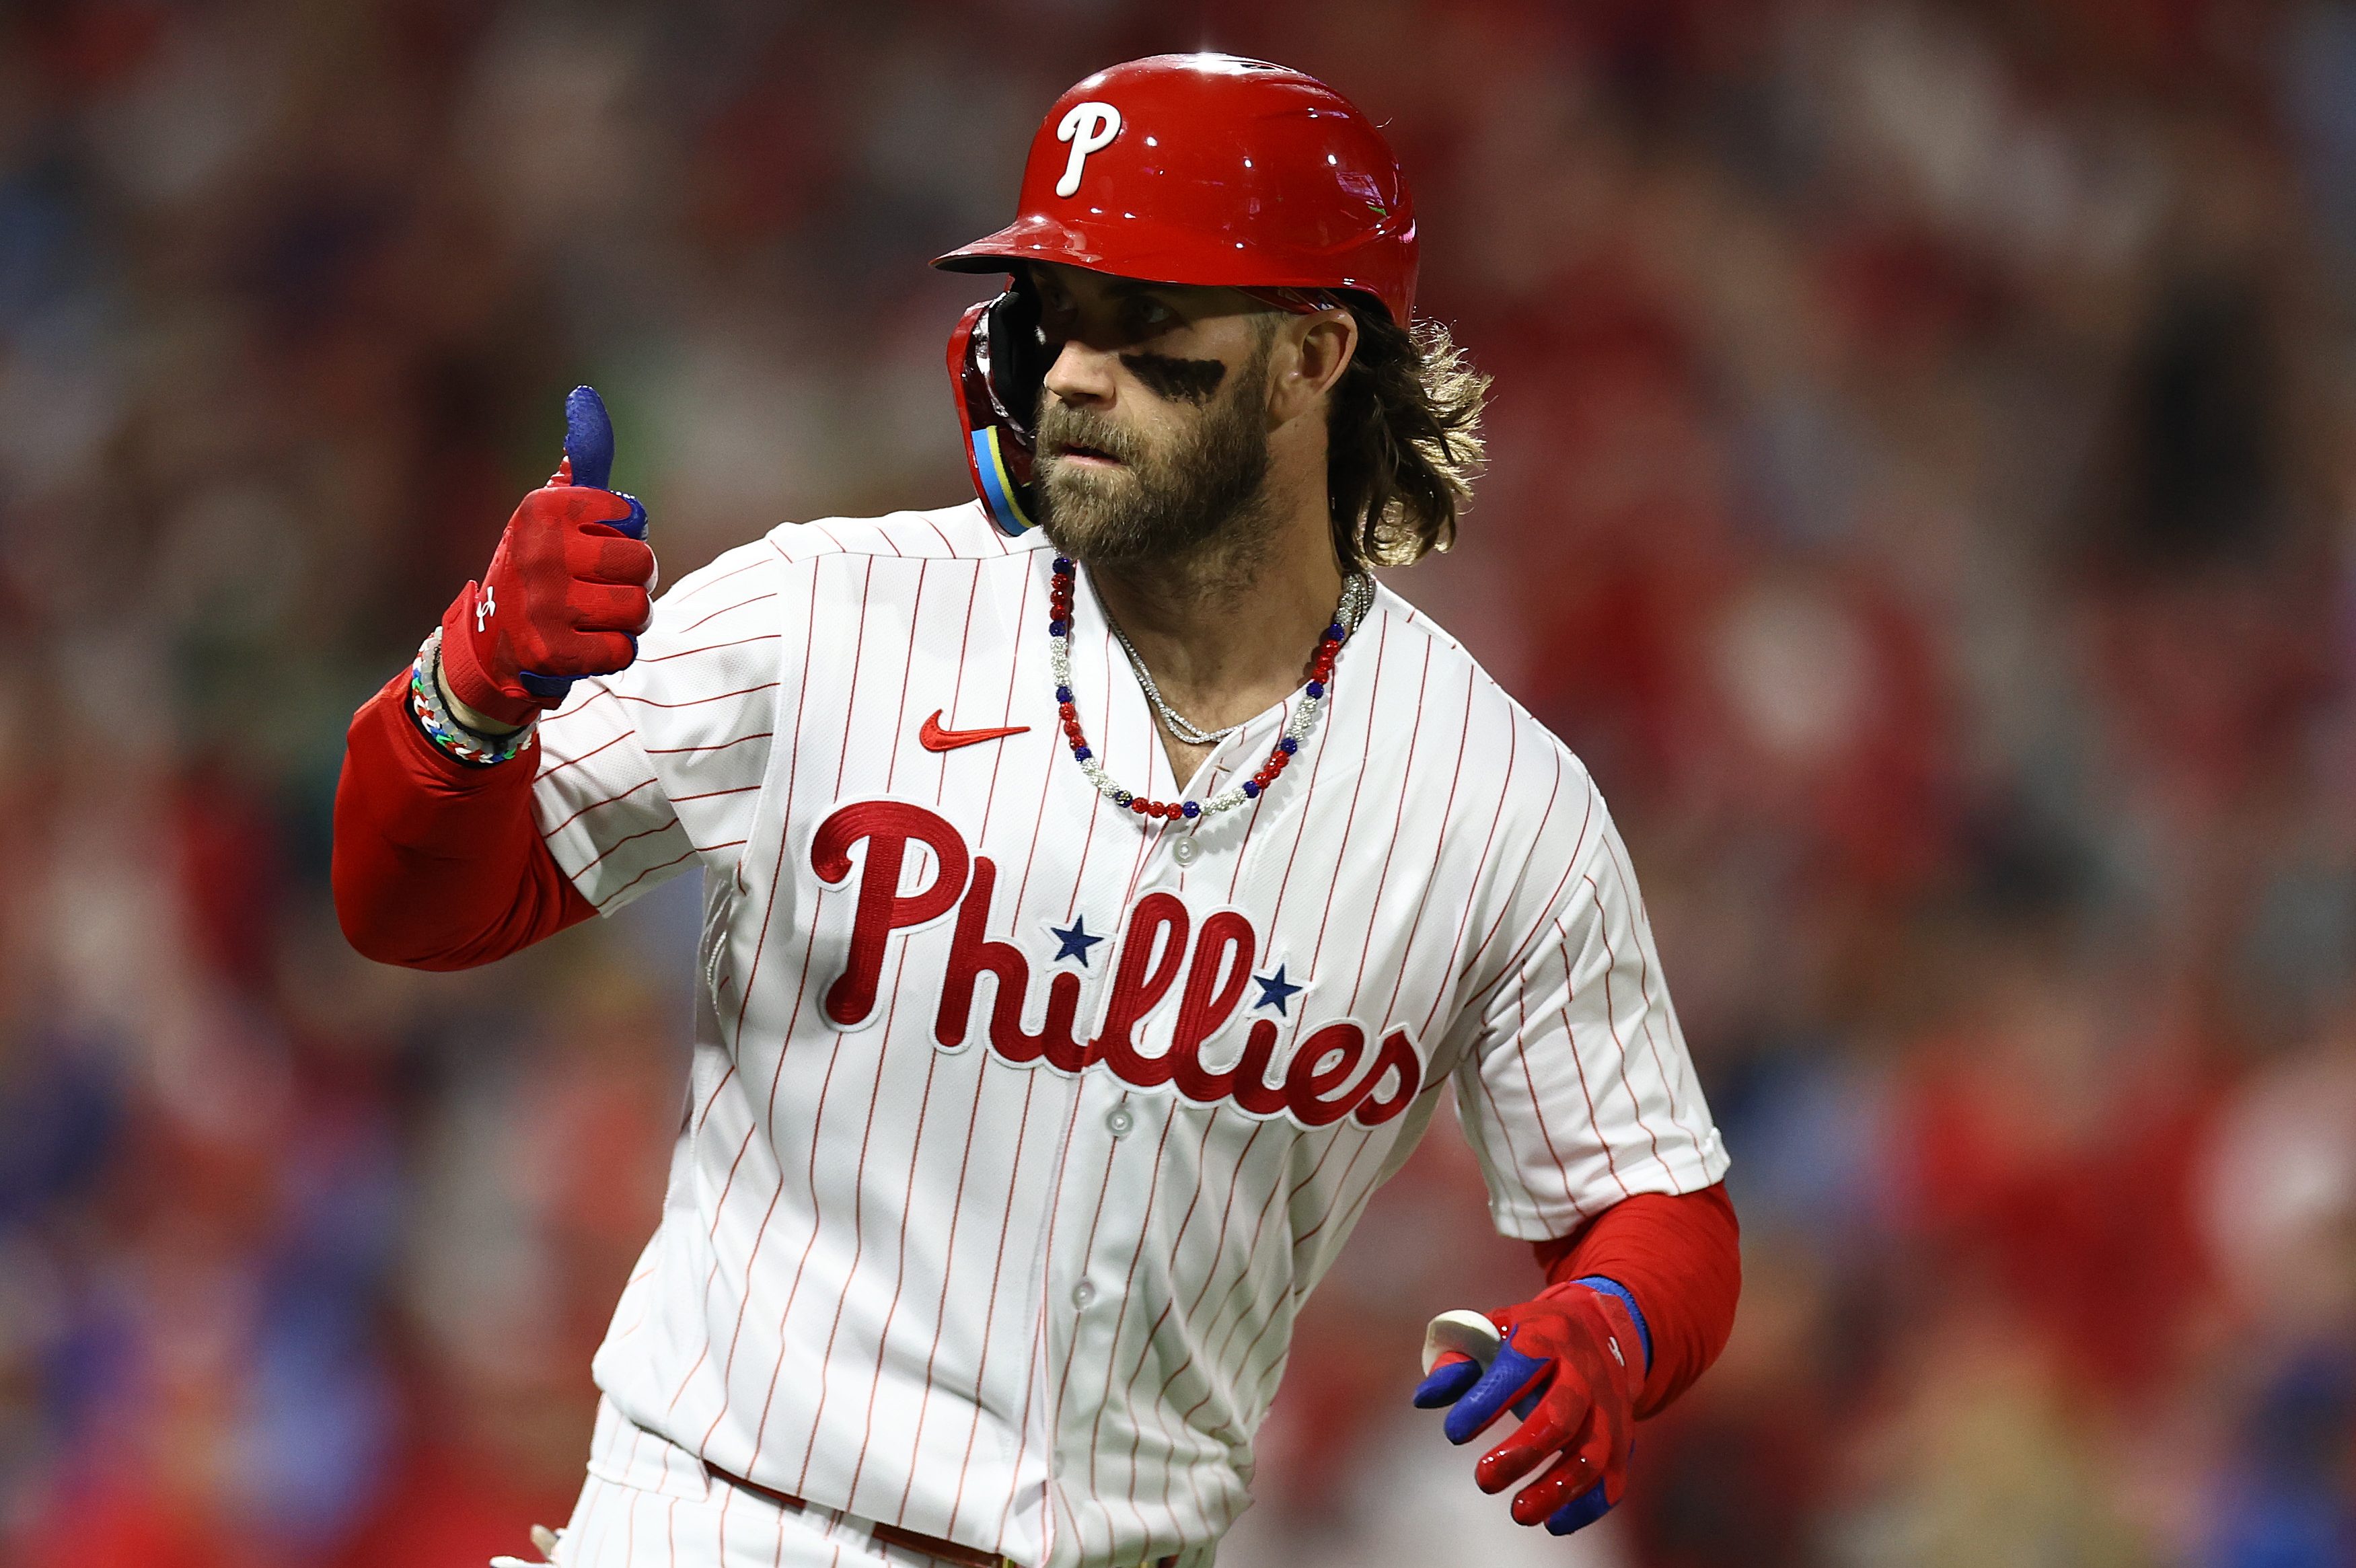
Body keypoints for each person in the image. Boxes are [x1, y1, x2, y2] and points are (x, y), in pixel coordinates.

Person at [333, 52, 1740, 1568]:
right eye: (1052, 317)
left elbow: (1654, 1199)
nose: (1071, 372)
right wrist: (469, 684)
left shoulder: (1493, 797)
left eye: (1145, 322)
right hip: (724, 1518)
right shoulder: (823, 614)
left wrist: (1606, 1325)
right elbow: (410, 907)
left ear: (1314, 353)